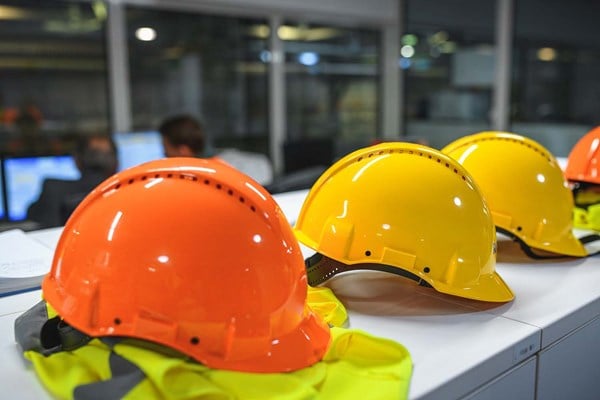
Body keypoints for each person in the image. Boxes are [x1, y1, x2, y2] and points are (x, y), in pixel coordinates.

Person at [26, 134, 118, 229]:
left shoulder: (53, 191)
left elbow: (32, 214)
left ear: (76, 161)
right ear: (116, 163)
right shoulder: (123, 192)